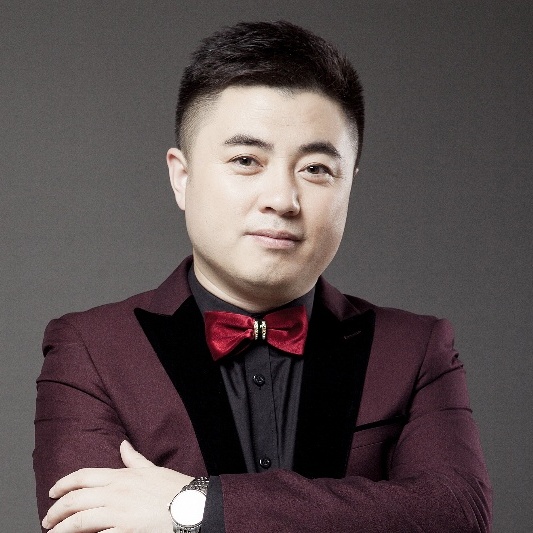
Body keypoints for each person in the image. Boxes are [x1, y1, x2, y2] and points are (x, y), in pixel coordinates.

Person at [34, 20, 492, 533]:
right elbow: (86, 525)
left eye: (316, 169)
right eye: (246, 160)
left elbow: (458, 515)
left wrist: (199, 507)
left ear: (349, 186)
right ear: (182, 177)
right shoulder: (90, 349)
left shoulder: (416, 348)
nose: (282, 199)